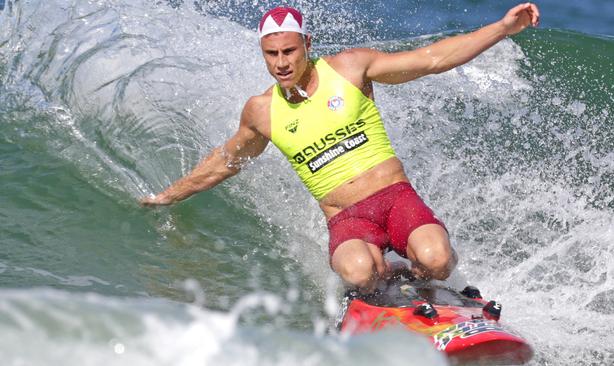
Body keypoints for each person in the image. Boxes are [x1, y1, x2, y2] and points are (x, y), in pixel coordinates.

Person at [141, 4, 540, 291]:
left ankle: (429, 281)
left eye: (289, 51)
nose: (281, 63)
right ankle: (382, 285)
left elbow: (431, 59)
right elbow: (225, 161)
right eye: (272, 54)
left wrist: (502, 28)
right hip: (348, 219)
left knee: (437, 259)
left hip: (396, 199)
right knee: (356, 272)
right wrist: (169, 196)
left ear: (306, 44)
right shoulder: (262, 112)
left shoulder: (349, 69)